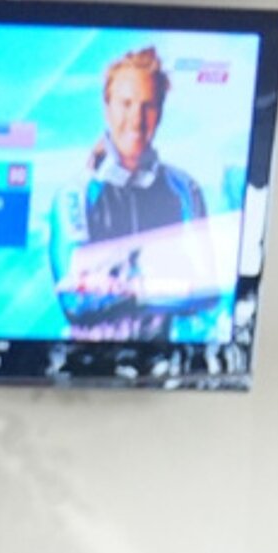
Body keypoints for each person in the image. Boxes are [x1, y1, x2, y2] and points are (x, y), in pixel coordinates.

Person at [50, 46, 216, 342]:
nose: (136, 118)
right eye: (125, 103)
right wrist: (164, 284)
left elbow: (207, 290)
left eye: (147, 105)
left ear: (160, 112)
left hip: (164, 362)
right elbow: (75, 301)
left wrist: (115, 285)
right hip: (83, 361)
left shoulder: (185, 189)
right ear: (107, 108)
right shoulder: (74, 195)